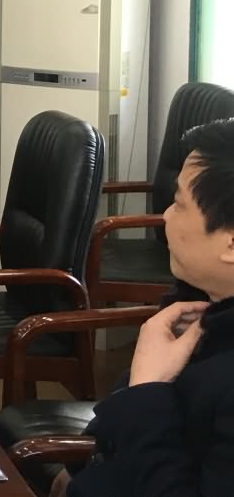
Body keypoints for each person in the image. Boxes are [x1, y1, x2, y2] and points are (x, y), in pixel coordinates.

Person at [50, 118, 234, 497]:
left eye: (179, 204)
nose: (166, 215)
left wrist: (149, 388)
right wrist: (81, 463)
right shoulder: (198, 303)